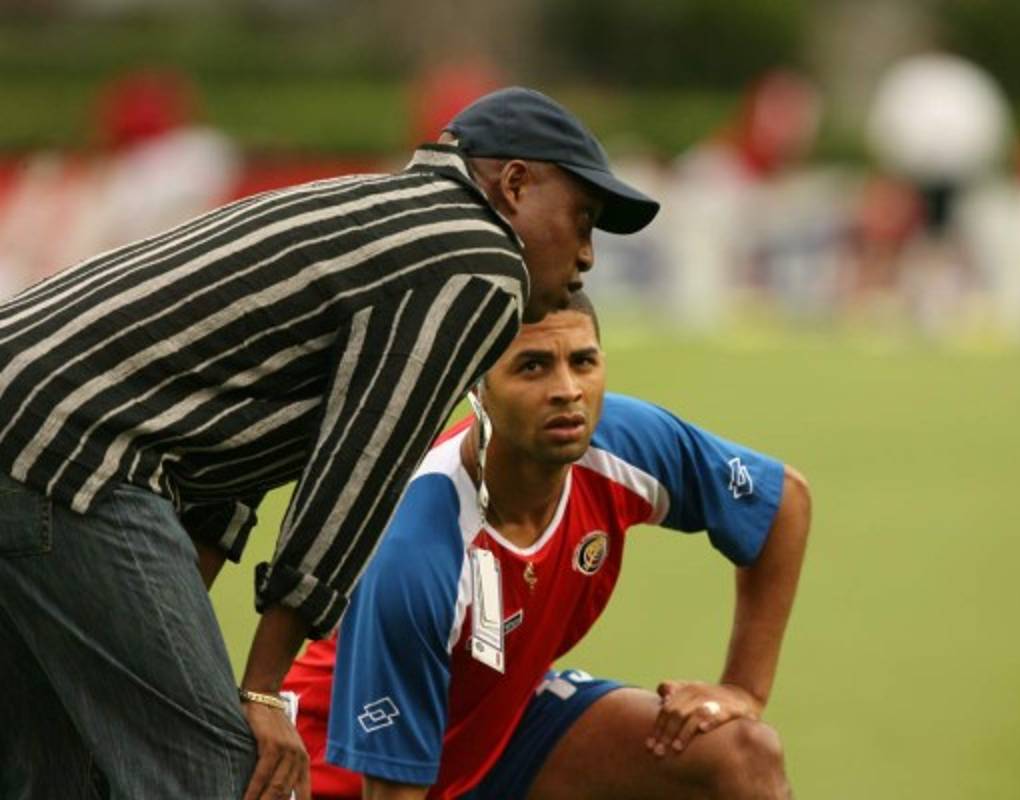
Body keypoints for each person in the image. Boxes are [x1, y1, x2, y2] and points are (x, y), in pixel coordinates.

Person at [0, 87, 658, 799]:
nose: (587, 255)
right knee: (220, 773)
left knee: (59, 769)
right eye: (582, 220)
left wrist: (175, 643)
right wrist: (260, 693)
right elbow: (359, 473)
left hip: (37, 429)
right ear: (517, 184)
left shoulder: (378, 213)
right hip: (69, 449)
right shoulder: (478, 261)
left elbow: (229, 459)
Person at [283, 293, 812, 799]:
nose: (568, 390)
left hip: (495, 734)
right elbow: (390, 789)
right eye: (532, 366)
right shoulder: (418, 551)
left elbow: (782, 503)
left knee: (743, 756)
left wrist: (744, 690)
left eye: (583, 362)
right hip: (342, 775)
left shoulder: (621, 444)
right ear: (476, 387)